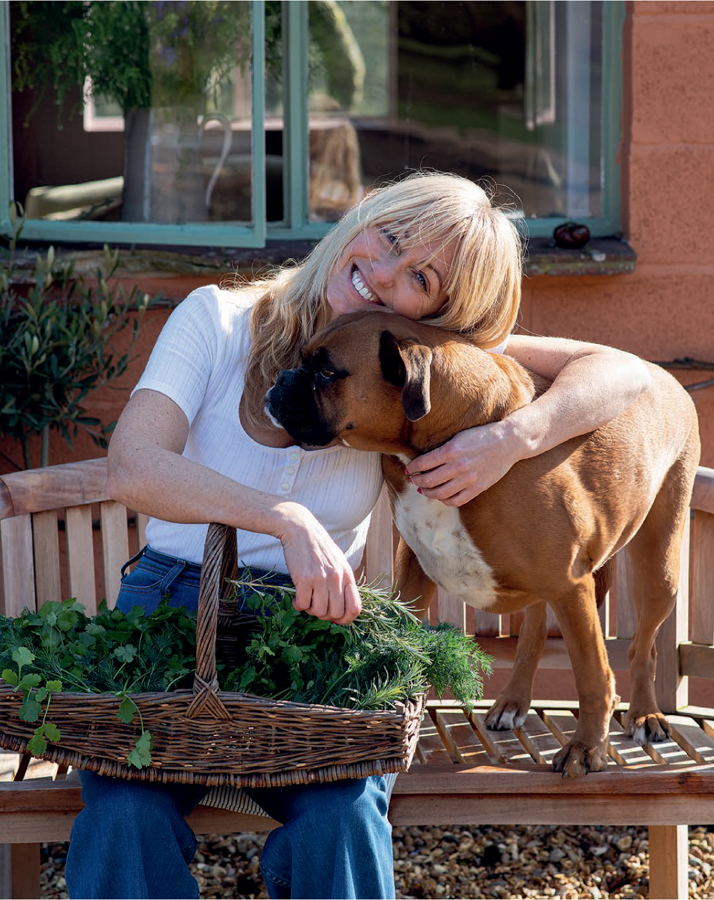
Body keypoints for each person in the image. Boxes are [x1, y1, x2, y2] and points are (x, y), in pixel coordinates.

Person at [65, 171, 650, 899]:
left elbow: (628, 376)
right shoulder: (215, 319)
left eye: (420, 276)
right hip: (169, 615)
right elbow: (133, 465)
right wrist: (280, 516)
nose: (383, 273)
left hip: (315, 634)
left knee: (341, 813)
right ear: (366, 215)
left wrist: (512, 437)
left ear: (439, 316)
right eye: (393, 236)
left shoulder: (399, 355)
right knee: (125, 810)